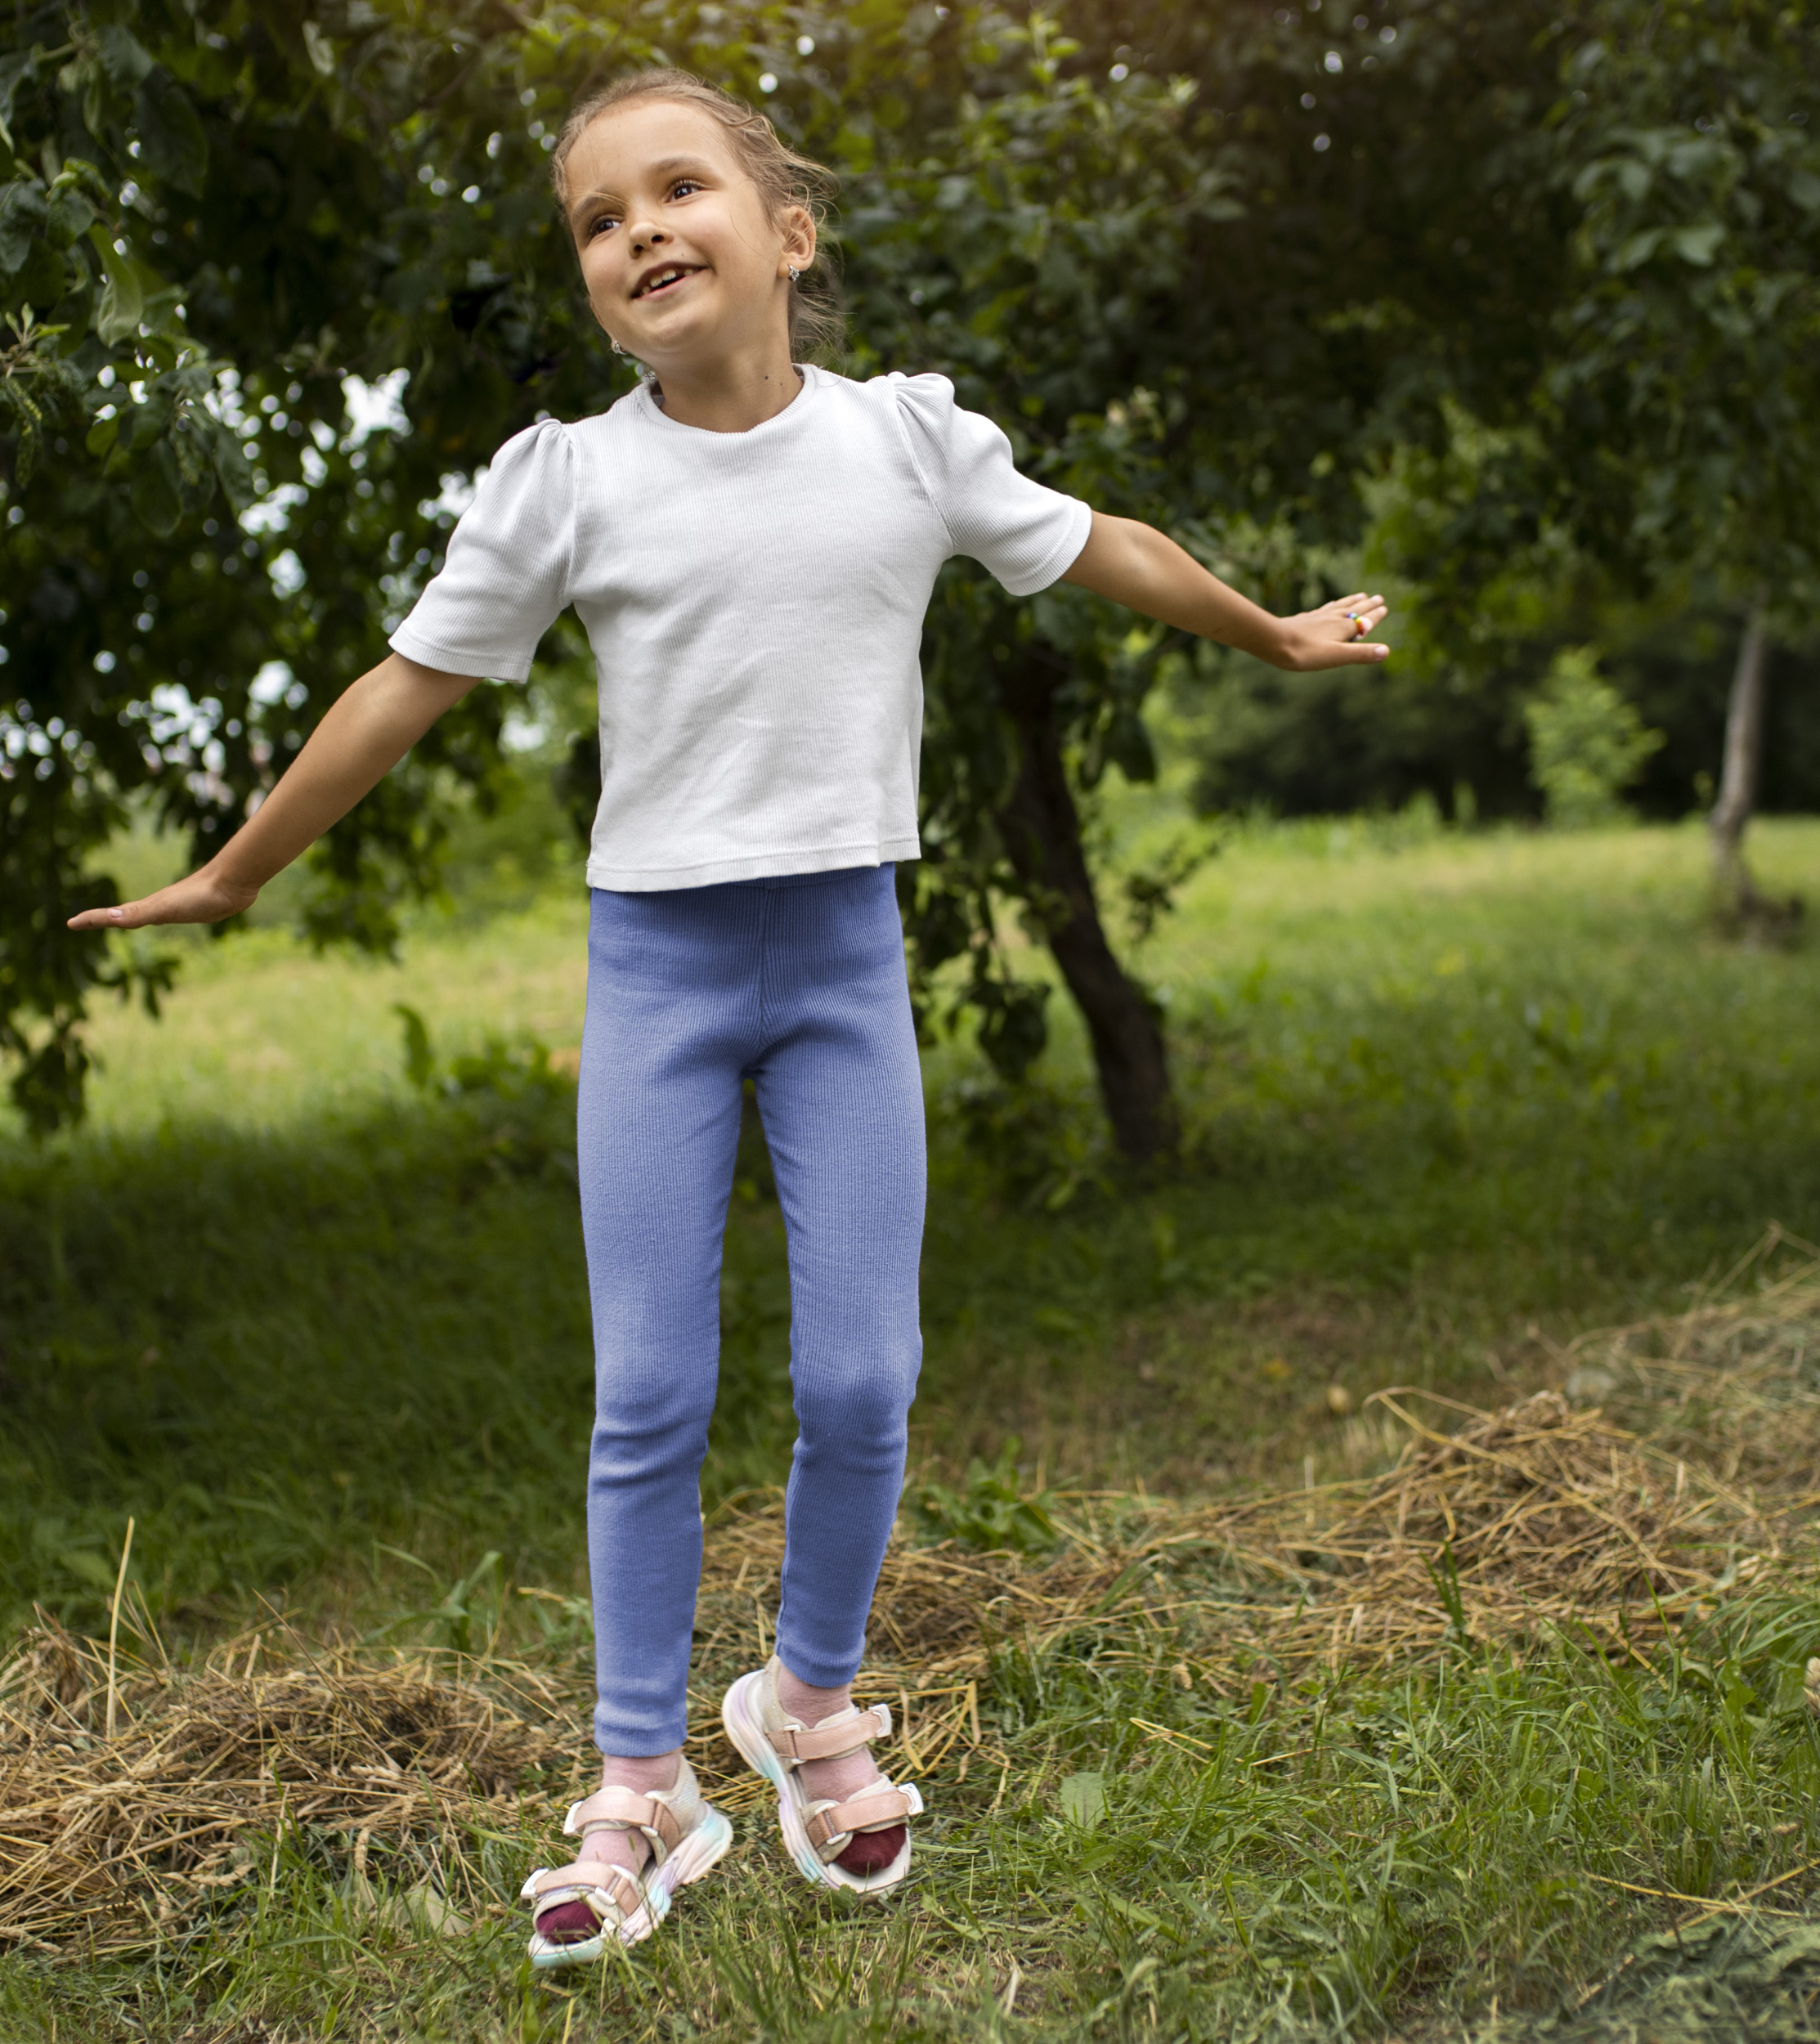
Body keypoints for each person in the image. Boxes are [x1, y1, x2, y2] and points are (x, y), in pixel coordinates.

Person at [69, 68, 1391, 1964]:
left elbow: (1096, 541)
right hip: (662, 980)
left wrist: (1266, 627)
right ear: (595, 285)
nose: (637, 234)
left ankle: (805, 1702)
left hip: (842, 962)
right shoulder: (574, 479)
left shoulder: (907, 444)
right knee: (649, 1393)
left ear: (787, 234)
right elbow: (402, 685)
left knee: (862, 1378)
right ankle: (636, 1781)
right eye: (598, 223)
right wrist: (237, 867)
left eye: (675, 188)